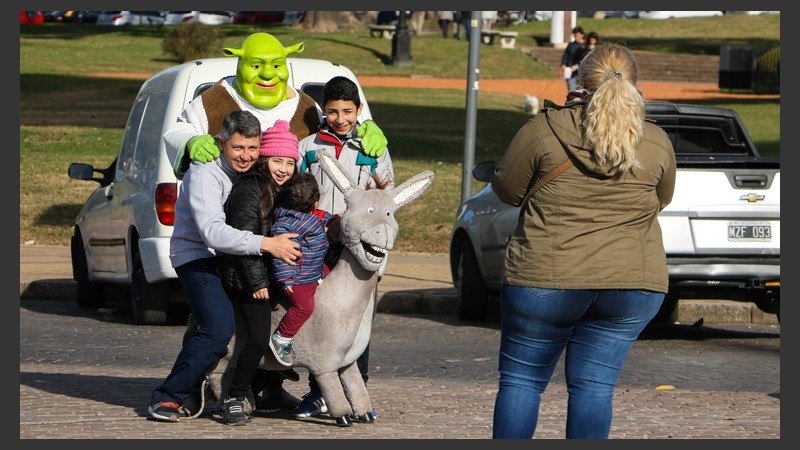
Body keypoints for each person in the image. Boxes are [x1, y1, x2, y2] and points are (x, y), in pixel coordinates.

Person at [166, 31, 388, 413]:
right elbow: (178, 128)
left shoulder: (303, 106)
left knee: (289, 313)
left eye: (275, 65)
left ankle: (269, 385)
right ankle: (194, 388)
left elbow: (331, 133)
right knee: (222, 324)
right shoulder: (214, 100)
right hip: (229, 243)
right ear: (239, 63)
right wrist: (189, 143)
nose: (267, 74)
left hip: (287, 239)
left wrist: (372, 130)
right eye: (256, 65)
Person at [489, 43, 677, 439]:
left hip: (545, 277)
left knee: (522, 381)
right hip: (631, 282)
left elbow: (507, 189)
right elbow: (662, 198)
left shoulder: (543, 129)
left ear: (579, 79)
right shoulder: (656, 140)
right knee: (594, 386)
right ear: (634, 83)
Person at [148, 110, 301, 423]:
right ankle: (170, 396)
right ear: (221, 143)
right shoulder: (205, 173)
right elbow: (212, 232)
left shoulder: (252, 175)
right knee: (217, 329)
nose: (245, 156)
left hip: (234, 260)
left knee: (259, 327)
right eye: (237, 148)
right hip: (197, 255)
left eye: (252, 148)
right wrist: (268, 244)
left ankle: (255, 388)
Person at [292, 75, 395, 418]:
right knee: (320, 322)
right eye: (333, 111)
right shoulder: (307, 149)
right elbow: (297, 196)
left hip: (359, 252)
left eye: (348, 111)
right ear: (324, 110)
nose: (340, 119)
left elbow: (385, 198)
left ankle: (357, 387)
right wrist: (322, 223)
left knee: (356, 323)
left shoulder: (373, 149)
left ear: (359, 109)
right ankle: (317, 392)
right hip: (319, 246)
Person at [215, 119, 304, 425]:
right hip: (246, 276)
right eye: (277, 161)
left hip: (274, 275)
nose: (283, 168)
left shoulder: (287, 190)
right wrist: (256, 281)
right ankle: (235, 396)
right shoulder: (250, 189)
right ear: (264, 160)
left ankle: (264, 388)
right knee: (255, 339)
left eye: (289, 162)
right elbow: (242, 236)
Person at [269, 172, 335, 367]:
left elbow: (320, 220)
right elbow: (282, 255)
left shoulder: (307, 217)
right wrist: (286, 279)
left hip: (313, 269)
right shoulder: (286, 224)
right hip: (299, 279)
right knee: (305, 307)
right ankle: (282, 338)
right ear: (315, 202)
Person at [558, 26, 586, 93]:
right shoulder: (570, 45)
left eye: (578, 36)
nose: (576, 38)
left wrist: (577, 66)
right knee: (571, 88)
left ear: (582, 35)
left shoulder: (585, 46)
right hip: (570, 72)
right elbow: (565, 55)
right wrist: (563, 64)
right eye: (575, 36)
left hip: (581, 73)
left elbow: (585, 59)